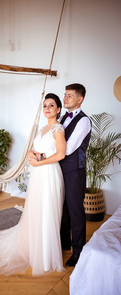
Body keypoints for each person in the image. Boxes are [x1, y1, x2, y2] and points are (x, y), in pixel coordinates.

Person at [0, 93, 66, 276]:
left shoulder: (58, 129)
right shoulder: (41, 130)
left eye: (51, 105)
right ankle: (35, 249)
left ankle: (46, 256)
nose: (47, 109)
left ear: (58, 109)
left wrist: (39, 162)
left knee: (48, 210)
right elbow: (43, 151)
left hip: (50, 174)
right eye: (45, 105)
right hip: (39, 173)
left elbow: (61, 154)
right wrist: (33, 153)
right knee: (37, 209)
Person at [59, 83, 91, 267]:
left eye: (69, 95)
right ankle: (64, 243)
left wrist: (46, 154)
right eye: (65, 95)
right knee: (62, 209)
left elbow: (69, 148)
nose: (65, 98)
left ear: (80, 99)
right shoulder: (63, 117)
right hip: (60, 169)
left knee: (75, 211)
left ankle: (78, 251)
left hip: (75, 172)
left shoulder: (84, 121)